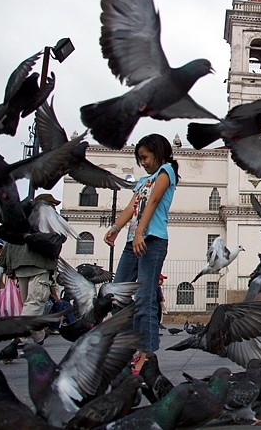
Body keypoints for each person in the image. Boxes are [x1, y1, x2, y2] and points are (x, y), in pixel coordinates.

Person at [105, 134, 178, 373]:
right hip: (132, 241)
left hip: (153, 240)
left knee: (145, 296)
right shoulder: (143, 181)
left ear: (158, 152)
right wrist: (116, 228)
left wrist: (140, 233)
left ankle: (146, 352)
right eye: (140, 159)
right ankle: (127, 345)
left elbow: (154, 201)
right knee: (118, 293)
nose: (143, 162)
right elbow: (132, 207)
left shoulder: (166, 171)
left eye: (145, 157)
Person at [0, 240, 58, 344]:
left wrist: (9, 268)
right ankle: (28, 335)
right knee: (33, 305)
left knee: (29, 306)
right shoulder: (45, 223)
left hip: (20, 263)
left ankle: (32, 336)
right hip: (39, 263)